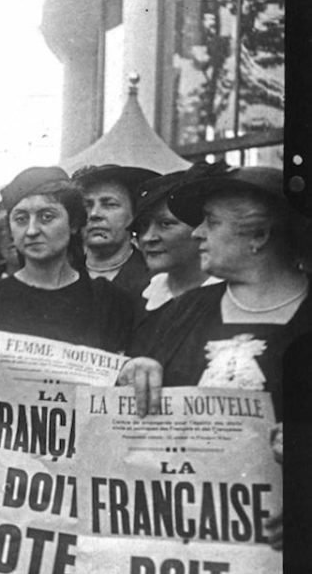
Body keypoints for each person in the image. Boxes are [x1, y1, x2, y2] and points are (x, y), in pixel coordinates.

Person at [0, 166, 139, 574]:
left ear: (75, 223)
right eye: (20, 219)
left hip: (79, 508)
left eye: (46, 216)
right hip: (5, 512)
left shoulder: (112, 304)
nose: (32, 230)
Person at [120, 166, 311, 434]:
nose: (197, 232)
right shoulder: (186, 307)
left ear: (259, 235)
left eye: (211, 221)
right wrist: (140, 370)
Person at [133, 164, 222, 311]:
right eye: (143, 226)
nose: (148, 238)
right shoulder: (142, 298)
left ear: (201, 228)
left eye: (165, 224)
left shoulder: (227, 298)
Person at [73, 163, 160, 295]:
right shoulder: (62, 273)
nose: (94, 214)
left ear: (133, 214)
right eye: (87, 205)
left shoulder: (155, 279)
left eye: (110, 204)